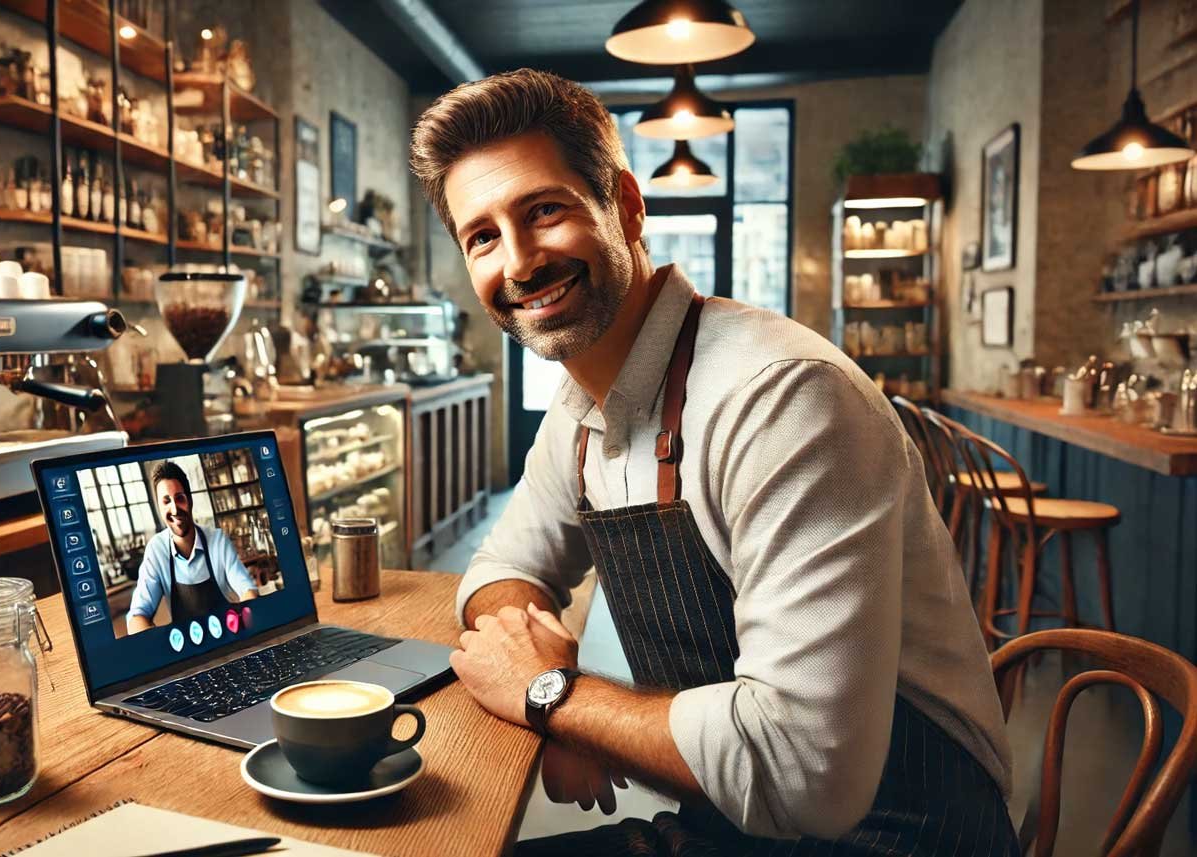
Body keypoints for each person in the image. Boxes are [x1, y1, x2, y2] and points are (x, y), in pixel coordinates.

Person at [410, 69, 1015, 854]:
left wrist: (553, 696)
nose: (519, 262)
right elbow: (500, 564)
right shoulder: (580, 411)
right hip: (729, 827)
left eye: (544, 210)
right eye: (482, 236)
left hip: (902, 833)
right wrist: (539, 666)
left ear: (626, 205)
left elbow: (810, 774)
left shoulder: (780, 399)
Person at [127, 460, 258, 635]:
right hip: (187, 650)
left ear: (189, 500)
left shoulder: (217, 540)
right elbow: (136, 617)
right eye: (166, 501)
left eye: (179, 498)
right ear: (159, 507)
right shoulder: (156, 550)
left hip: (229, 637)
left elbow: (248, 590)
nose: (174, 509)